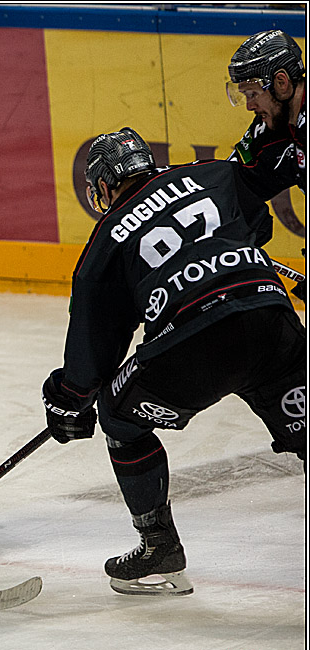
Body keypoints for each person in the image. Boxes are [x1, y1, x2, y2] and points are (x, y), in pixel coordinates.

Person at [41, 127, 306, 597]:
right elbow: (259, 225)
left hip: (196, 346)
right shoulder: (213, 175)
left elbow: (93, 353)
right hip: (271, 318)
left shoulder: (104, 242)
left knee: (118, 413)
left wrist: (69, 398)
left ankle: (158, 546)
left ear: (103, 187)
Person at [226, 29, 306, 200]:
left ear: (281, 83)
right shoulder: (276, 119)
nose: (249, 106)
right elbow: (233, 173)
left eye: (252, 94)